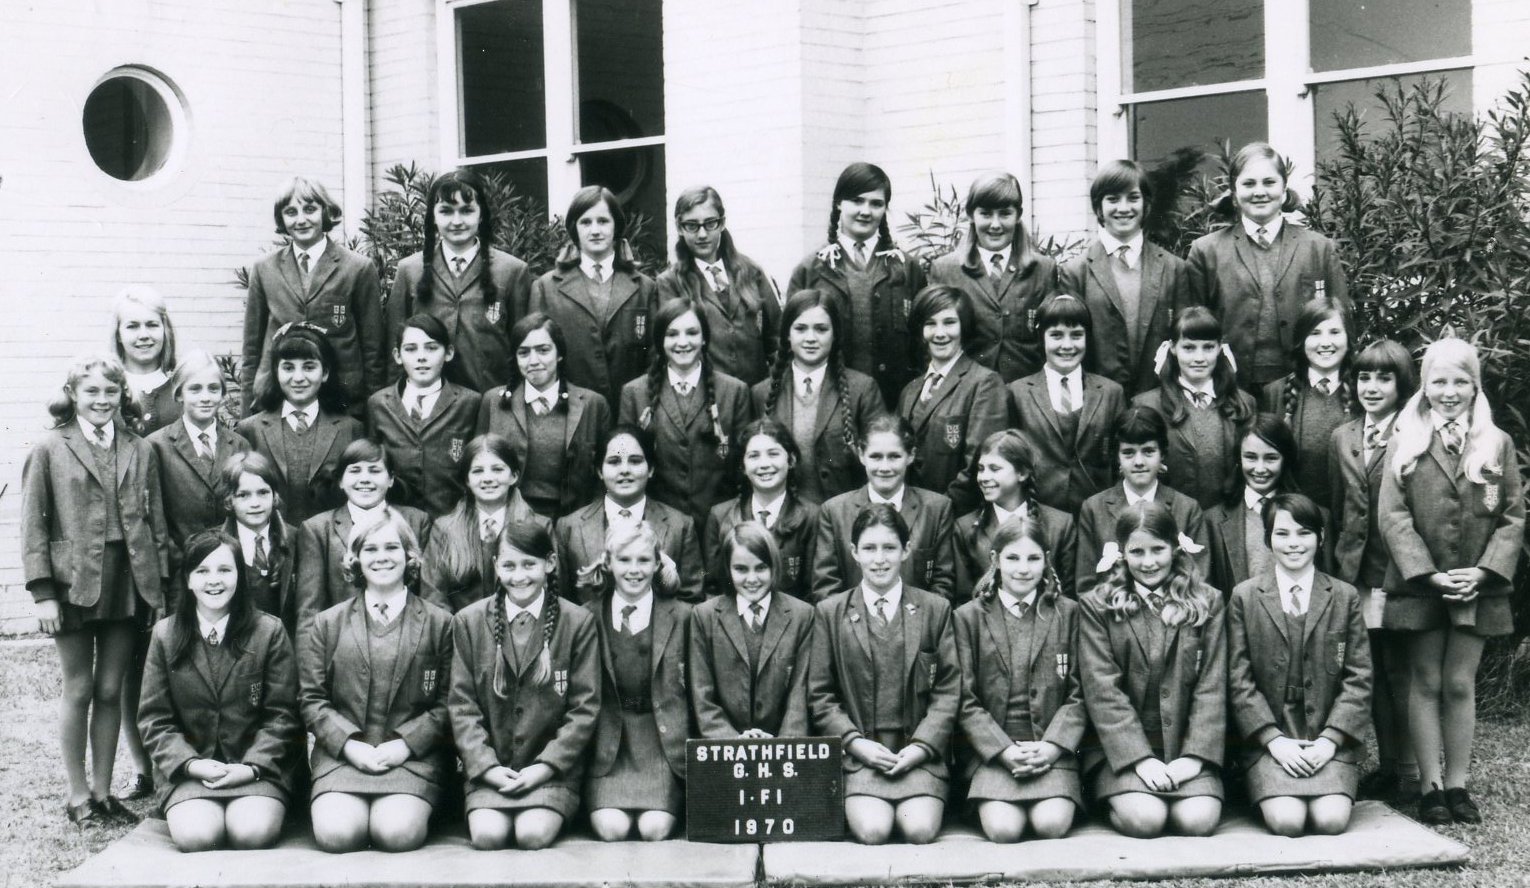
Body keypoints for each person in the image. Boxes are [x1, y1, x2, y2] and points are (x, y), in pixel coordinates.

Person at [1379, 338, 1523, 825]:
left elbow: (1512, 517)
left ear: (1475, 386)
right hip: (1423, 585)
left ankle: (1458, 784)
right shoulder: (1405, 441)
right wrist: (1430, 574)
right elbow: (1393, 517)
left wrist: (1484, 571)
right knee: (1425, 681)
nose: (1449, 391)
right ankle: (1431, 787)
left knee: (1460, 683)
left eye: (1461, 381)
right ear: (1424, 387)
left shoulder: (1495, 443)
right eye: (1439, 381)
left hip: (1477, 586)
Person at [22, 354, 168, 824]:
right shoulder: (50, 447)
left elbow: (156, 524)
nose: (102, 400)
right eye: (92, 392)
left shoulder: (139, 448)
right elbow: (33, 525)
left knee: (110, 688)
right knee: (80, 687)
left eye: (110, 392)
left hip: (127, 580)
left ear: (122, 395)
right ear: (73, 395)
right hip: (72, 584)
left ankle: (104, 793)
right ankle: (78, 795)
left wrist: (158, 585)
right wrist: (43, 592)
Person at [299, 510, 455, 852]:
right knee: (337, 834)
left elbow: (449, 702)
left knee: (396, 833)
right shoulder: (327, 623)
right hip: (343, 757)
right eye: (370, 549)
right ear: (355, 559)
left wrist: (405, 746)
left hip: (412, 758)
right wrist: (349, 746)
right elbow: (312, 700)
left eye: (391, 547)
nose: (381, 557)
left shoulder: (440, 623)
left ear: (409, 555)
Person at [137, 531, 301, 850]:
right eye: (202, 571)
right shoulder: (165, 635)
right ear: (188, 579)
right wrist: (190, 764)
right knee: (198, 836)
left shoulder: (269, 632)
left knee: (252, 832)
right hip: (190, 771)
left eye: (225, 570)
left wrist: (251, 767)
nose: (214, 580)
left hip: (257, 769)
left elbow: (283, 716)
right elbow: (154, 720)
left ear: (240, 575)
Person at [808, 504, 959, 844]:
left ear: (906, 550)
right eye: (869, 548)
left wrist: (922, 747)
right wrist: (855, 743)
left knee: (919, 829)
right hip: (860, 756)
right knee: (873, 830)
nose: (879, 559)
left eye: (889, 547)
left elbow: (948, 691)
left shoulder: (934, 609)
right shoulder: (830, 613)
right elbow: (820, 694)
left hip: (917, 753)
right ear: (854, 552)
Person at [1227, 494, 1372, 837]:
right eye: (1282, 533)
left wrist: (1330, 741)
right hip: (1270, 739)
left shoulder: (1344, 596)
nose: (1293, 543)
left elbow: (1359, 677)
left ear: (1320, 538)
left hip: (1327, 737)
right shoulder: (1245, 596)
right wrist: (1273, 740)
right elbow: (1238, 679)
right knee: (1287, 821)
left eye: (1304, 533)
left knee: (1330, 821)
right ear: (1268, 539)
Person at [449, 521, 600, 850]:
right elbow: (462, 706)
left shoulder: (577, 622)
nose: (519, 576)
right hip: (491, 771)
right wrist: (487, 768)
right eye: (509, 565)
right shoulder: (469, 622)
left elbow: (584, 708)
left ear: (550, 563)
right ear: (495, 567)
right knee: (487, 835)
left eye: (529, 564)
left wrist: (545, 767)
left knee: (532, 834)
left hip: (551, 773)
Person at [1079, 502, 1225, 838]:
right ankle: (1115, 798)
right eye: (1137, 552)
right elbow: (1103, 690)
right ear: (1122, 553)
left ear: (1175, 548)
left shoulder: (1207, 601)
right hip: (1122, 750)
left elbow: (1212, 685)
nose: (1148, 562)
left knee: (1198, 821)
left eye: (1158, 550)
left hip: (1185, 745)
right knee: (1146, 820)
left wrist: (1194, 757)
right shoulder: (1098, 605)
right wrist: (1140, 759)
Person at [954, 516, 1085, 841]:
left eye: (1033, 558)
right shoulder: (968, 617)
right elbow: (965, 699)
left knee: (1051, 824)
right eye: (1013, 558)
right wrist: (1003, 751)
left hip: (1050, 751)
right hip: (995, 753)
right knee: (1003, 829)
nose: (1023, 569)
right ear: (996, 560)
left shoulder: (1068, 613)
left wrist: (1052, 747)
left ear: (1046, 560)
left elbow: (1080, 693)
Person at [1328, 338, 1419, 804]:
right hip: (1356, 575)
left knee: (1401, 673)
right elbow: (1339, 506)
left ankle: (1410, 772)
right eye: (1364, 377)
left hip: (1398, 575)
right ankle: (1385, 767)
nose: (1372, 386)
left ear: (1402, 386)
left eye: (1384, 378)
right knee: (1373, 671)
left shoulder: (1415, 434)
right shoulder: (1342, 437)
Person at [1187, 142, 1349, 389]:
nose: (1259, 192)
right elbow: (1192, 330)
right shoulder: (1207, 251)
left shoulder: (1318, 248)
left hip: (1302, 384)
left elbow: (1342, 322)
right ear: (1234, 192)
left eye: (1269, 182)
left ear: (1283, 189)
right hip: (1230, 386)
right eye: (1249, 184)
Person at [240, 176, 385, 415]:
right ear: (281, 218)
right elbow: (251, 350)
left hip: (342, 399)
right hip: (277, 397)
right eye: (291, 212)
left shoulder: (357, 268)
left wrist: (374, 415)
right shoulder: (264, 268)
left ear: (325, 212)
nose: (301, 220)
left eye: (309, 210)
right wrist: (246, 415)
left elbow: (373, 351)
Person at [584, 522, 693, 841]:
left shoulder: (683, 616)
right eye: (624, 560)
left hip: (661, 743)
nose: (634, 570)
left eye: (644, 560)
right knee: (612, 829)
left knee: (653, 829)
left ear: (657, 563)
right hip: (610, 746)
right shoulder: (587, 616)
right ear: (608, 562)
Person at [788, 162, 927, 405]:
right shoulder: (811, 270)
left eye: (876, 204)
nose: (866, 211)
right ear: (838, 203)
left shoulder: (907, 268)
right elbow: (790, 345)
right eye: (857, 201)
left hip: (894, 403)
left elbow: (924, 343)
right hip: (830, 404)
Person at [386, 169, 532, 394]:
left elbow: (524, 348)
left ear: (481, 214)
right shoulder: (409, 271)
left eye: (466, 210)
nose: (457, 221)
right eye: (446, 211)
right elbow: (393, 349)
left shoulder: (512, 271)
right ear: (433, 216)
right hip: (427, 404)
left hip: (490, 402)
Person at [620, 298, 753, 532]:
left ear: (704, 338)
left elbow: (742, 466)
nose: (682, 342)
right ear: (660, 341)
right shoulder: (634, 393)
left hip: (718, 525)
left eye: (692, 333)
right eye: (672, 334)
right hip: (658, 527)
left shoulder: (734, 392)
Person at [1058, 160, 1188, 395]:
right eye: (1113, 199)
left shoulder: (1174, 268)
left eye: (1133, 198)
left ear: (1146, 204)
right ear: (1099, 208)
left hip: (1160, 399)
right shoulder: (1075, 272)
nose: (1124, 207)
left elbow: (1186, 339)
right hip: (1098, 400)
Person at [527, 185, 656, 407]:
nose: (595, 230)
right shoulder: (546, 288)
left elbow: (654, 356)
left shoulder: (645, 287)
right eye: (585, 222)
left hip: (629, 412)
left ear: (616, 226)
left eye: (603, 221)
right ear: (574, 229)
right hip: (570, 412)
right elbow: (535, 356)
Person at [753, 289, 885, 505]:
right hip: (786, 516)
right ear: (787, 334)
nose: (810, 338)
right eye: (800, 329)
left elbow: (879, 460)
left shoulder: (862, 389)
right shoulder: (762, 393)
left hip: (842, 514)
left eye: (821, 329)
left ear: (835, 335)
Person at [477, 313, 611, 519]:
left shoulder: (593, 404)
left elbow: (604, 475)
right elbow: (477, 463)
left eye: (543, 350)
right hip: (510, 518)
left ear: (559, 354)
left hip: (573, 518)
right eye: (524, 353)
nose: (534, 361)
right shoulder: (494, 402)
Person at [927, 171, 1057, 383]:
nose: (995, 224)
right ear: (971, 215)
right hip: (967, 391)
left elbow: (1052, 338)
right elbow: (932, 340)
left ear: (1018, 215)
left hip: (1025, 392)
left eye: (1005, 214)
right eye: (986, 214)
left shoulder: (1043, 269)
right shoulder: (945, 270)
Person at [689, 523, 816, 738]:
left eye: (761, 568)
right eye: (741, 569)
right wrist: (733, 741)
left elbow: (800, 694)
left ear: (774, 566)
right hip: (724, 748)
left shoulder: (802, 616)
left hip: (784, 747)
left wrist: (781, 746)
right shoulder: (705, 617)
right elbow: (702, 695)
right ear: (728, 569)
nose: (752, 579)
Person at [294, 439, 433, 634]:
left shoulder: (417, 521)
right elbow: (309, 611)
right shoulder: (317, 529)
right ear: (341, 481)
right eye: (355, 471)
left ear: (391, 479)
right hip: (341, 642)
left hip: (405, 637)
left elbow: (428, 596)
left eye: (375, 471)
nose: (365, 479)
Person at [553, 425, 705, 604]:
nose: (624, 470)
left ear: (651, 469)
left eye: (635, 461)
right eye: (614, 461)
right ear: (600, 471)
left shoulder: (680, 526)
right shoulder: (569, 527)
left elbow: (692, 599)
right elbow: (561, 600)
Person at [812, 415, 957, 602]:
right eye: (876, 457)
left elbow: (943, 582)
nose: (885, 467)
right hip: (852, 618)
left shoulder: (936, 509)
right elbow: (826, 586)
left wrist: (915, 618)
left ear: (911, 455)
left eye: (894, 457)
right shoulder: (834, 512)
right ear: (861, 455)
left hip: (918, 618)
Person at [235, 322, 365, 527]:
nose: (298, 378)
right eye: (288, 368)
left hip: (331, 540)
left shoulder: (351, 429)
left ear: (325, 373)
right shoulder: (250, 430)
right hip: (273, 539)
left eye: (309, 367)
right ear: (276, 372)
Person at [1007, 293, 1126, 515]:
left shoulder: (1111, 393)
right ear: (1041, 337)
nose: (1067, 345)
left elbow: (1119, 461)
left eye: (1076, 335)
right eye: (1056, 335)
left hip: (1097, 514)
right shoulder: (1017, 393)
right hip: (1038, 513)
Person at [895, 285, 1007, 514]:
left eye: (949, 322)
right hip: (908, 515)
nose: (940, 333)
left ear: (963, 326)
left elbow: (977, 465)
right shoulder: (910, 390)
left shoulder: (984, 383)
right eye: (930, 324)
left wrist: (938, 515)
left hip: (955, 517)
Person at [654, 185, 781, 386]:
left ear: (722, 223)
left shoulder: (751, 272)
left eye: (710, 223)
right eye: (692, 225)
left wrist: (772, 388)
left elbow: (777, 338)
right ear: (679, 228)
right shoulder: (670, 283)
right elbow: (670, 350)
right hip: (710, 394)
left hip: (756, 394)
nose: (702, 234)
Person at [1131, 306, 1255, 510]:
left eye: (1208, 347)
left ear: (1219, 348)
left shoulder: (1243, 404)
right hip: (1170, 515)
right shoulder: (1147, 405)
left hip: (1228, 515)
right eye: (1189, 348)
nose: (1199, 358)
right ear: (1173, 348)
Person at [1076, 407, 1207, 591]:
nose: (1139, 462)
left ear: (1162, 454)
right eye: (1128, 452)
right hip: (1111, 607)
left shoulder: (1187, 509)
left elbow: (1200, 582)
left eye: (1148, 451)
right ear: (1117, 457)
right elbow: (1086, 586)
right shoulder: (1094, 509)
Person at [422, 434, 548, 614]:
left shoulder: (539, 526)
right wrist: (458, 629)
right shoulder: (444, 530)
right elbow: (434, 596)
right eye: (478, 471)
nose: (487, 478)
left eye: (497, 469)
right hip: (458, 628)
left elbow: (549, 591)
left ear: (514, 476)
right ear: (467, 480)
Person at [367, 314, 480, 516]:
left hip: (452, 519)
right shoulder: (379, 404)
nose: (421, 357)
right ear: (397, 356)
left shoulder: (469, 403)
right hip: (396, 521)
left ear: (449, 352)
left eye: (431, 348)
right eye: (411, 349)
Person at [702, 419, 821, 601]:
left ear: (791, 460)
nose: (764, 464)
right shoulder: (720, 516)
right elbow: (713, 587)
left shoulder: (811, 517)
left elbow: (813, 590)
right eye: (754, 456)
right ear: (742, 466)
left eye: (773, 454)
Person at [954, 430, 1077, 599]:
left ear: (1022, 473)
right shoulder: (965, 528)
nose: (984, 477)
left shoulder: (1059, 525)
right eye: (981, 469)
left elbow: (1068, 598)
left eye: (994, 469)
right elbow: (963, 599)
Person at [1261, 297, 1359, 499]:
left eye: (1334, 332)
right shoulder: (1275, 394)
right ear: (1301, 341)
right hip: (1293, 512)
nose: (1325, 343)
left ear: (1348, 339)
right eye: (1315, 333)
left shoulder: (1363, 394)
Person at [1205, 415, 1301, 595]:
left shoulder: (1315, 516)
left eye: (1271, 458)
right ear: (1239, 458)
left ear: (1285, 459)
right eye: (1251, 457)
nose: (1260, 469)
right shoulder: (1212, 520)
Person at [219, 453, 298, 634]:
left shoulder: (297, 538)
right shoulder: (215, 545)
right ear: (230, 500)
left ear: (274, 495)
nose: (255, 503)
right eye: (243, 495)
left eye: (263, 493)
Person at [111, 285, 181, 436]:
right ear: (118, 334)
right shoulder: (105, 391)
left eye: (152, 325)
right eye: (132, 326)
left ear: (165, 330)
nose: (143, 335)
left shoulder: (183, 391)